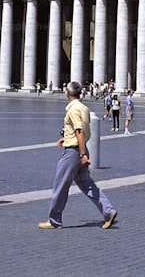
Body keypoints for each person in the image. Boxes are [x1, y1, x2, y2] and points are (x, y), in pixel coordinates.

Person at [38, 81, 117, 230]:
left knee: (60, 185)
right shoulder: (84, 108)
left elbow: (79, 131)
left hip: (74, 153)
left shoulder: (73, 110)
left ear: (67, 92)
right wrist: (68, 139)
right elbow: (81, 131)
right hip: (79, 148)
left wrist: (82, 155)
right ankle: (108, 211)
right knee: (87, 185)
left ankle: (54, 220)